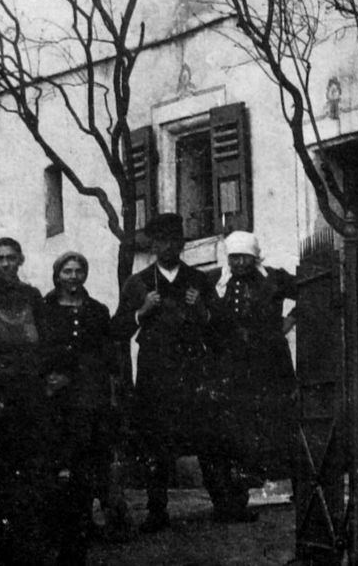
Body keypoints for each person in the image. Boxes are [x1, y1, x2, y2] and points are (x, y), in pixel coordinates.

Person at [110, 213, 227, 531]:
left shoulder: (199, 280)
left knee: (208, 437)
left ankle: (223, 503)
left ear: (182, 244)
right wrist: (141, 312)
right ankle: (157, 511)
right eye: (161, 241)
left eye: (174, 241)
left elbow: (221, 329)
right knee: (155, 441)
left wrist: (202, 309)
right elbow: (117, 329)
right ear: (152, 245)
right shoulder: (138, 283)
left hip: (193, 370)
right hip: (155, 373)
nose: (168, 247)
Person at [207, 231, 298, 521]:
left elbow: (311, 291)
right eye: (233, 257)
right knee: (237, 430)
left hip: (270, 364)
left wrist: (290, 320)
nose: (238, 263)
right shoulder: (216, 281)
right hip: (232, 368)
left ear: (255, 256)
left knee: (279, 422)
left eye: (244, 257)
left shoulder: (273, 278)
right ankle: (236, 498)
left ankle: (298, 486)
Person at [34, 253, 117, 566]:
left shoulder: (97, 310)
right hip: (56, 393)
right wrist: (51, 376)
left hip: (89, 393)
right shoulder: (44, 307)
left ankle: (81, 527)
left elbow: (106, 352)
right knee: (57, 460)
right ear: (57, 275)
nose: (73, 276)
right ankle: (55, 529)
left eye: (78, 271)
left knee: (85, 461)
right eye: (67, 271)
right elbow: (40, 347)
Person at [0, 238, 49, 564]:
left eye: (10, 257)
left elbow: (46, 341)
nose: (5, 263)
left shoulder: (32, 296)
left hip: (31, 393)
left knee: (32, 466)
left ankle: (30, 537)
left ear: (20, 260)